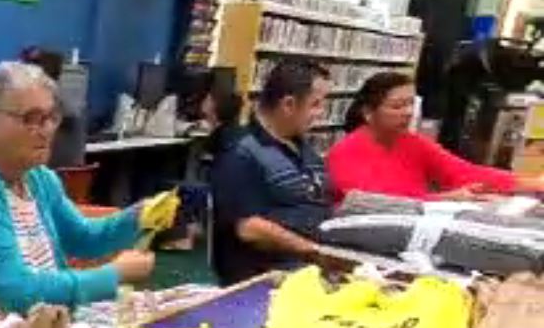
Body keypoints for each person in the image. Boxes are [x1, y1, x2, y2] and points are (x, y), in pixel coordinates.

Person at [0, 61, 171, 328]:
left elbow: (83, 238)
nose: (47, 129)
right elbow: (15, 291)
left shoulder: (39, 178)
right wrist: (113, 276)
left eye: (51, 117)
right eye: (32, 119)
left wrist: (137, 218)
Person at [327, 71, 544, 203]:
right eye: (397, 106)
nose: (408, 112)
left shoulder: (412, 142)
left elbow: (464, 172)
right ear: (368, 113)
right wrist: (444, 199)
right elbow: (367, 204)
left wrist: (531, 183)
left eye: (411, 103)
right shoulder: (346, 152)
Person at [211, 59, 333, 285]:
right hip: (271, 272)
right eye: (316, 104)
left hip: (313, 263)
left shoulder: (302, 147)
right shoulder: (241, 152)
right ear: (288, 104)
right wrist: (314, 251)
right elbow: (249, 228)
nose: (321, 113)